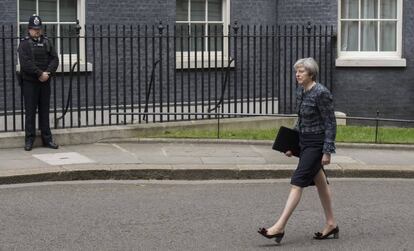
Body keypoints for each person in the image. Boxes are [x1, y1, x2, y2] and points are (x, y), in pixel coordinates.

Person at [258, 57, 338, 244]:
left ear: (311, 73)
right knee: (321, 183)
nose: (297, 74)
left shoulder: (321, 93)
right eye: (296, 71)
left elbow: (330, 123)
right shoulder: (301, 92)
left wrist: (327, 150)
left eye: (301, 71)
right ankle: (331, 223)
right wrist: (291, 144)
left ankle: (279, 228)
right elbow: (300, 119)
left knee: (297, 182)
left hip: (316, 144)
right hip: (304, 142)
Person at [18, 14, 59, 151]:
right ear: (29, 29)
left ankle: (47, 139)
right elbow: (25, 64)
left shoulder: (47, 42)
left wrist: (47, 73)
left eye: (38, 28)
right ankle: (29, 140)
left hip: (45, 82)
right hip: (30, 83)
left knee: (44, 111)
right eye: (34, 29)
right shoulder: (23, 44)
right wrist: (40, 73)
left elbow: (55, 59)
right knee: (30, 112)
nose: (36, 31)